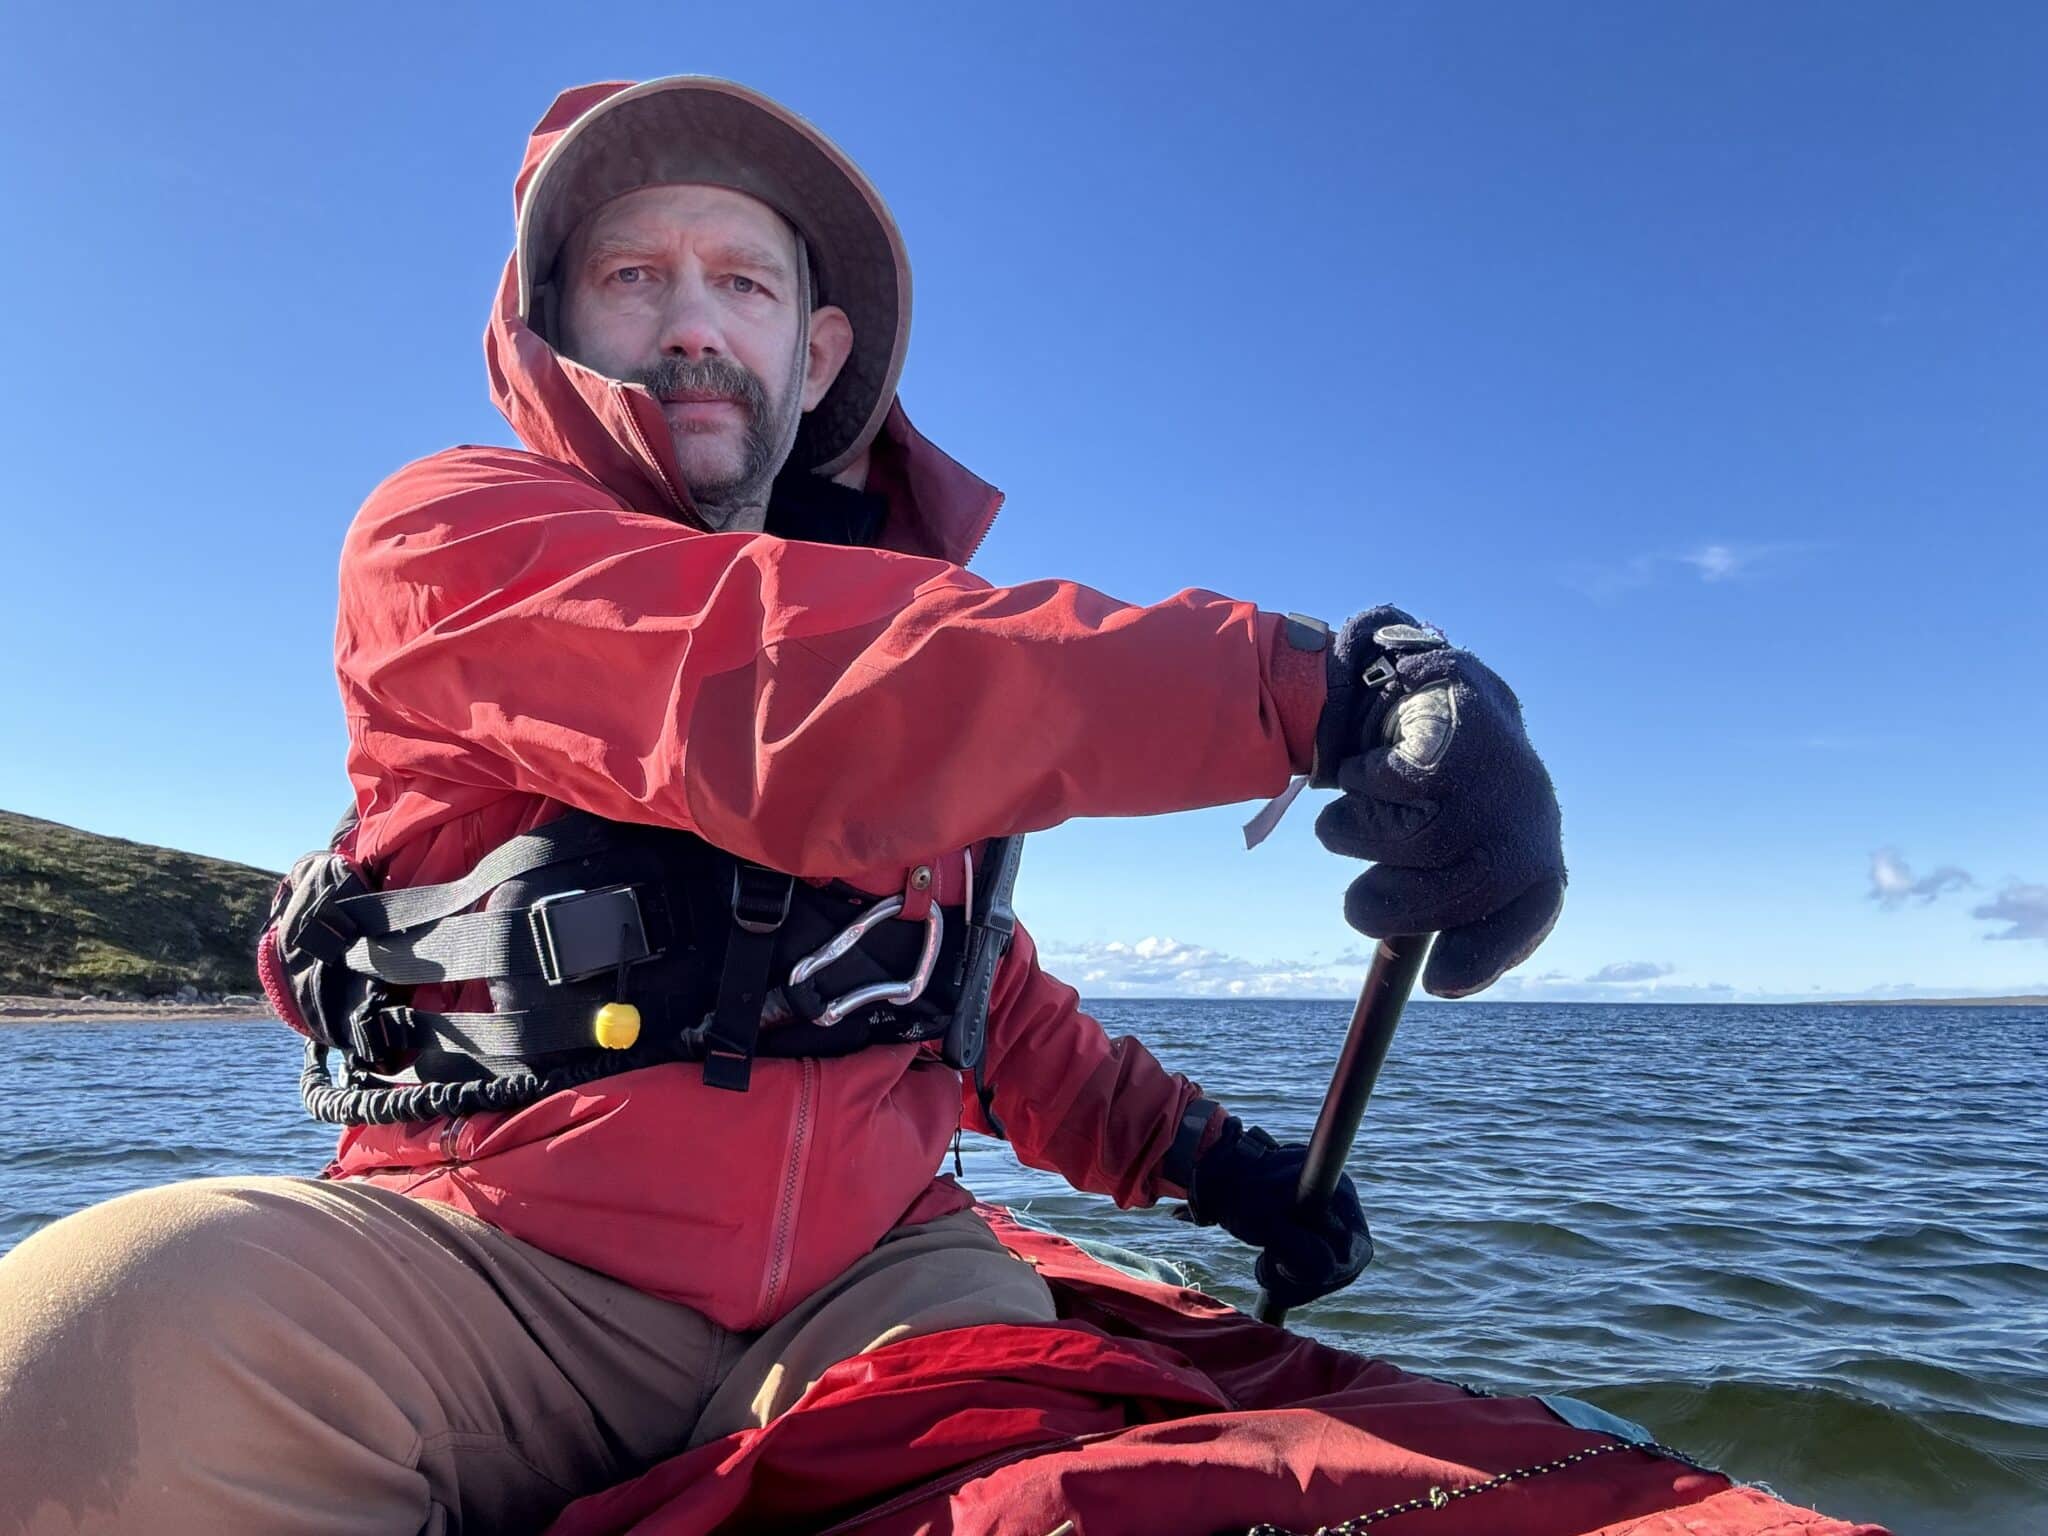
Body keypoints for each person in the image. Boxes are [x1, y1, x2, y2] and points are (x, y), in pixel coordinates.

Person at [0, 77, 1564, 1535]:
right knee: (99, 1342)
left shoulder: (930, 649)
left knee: (1045, 1472)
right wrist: (1317, 690)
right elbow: (771, 690)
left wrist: (1220, 1166)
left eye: (741, 285)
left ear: (812, 355)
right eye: (634, 279)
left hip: (873, 1284)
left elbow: (974, 1003)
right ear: (547, 333)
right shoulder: (444, 536)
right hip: (497, 1279)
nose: (691, 327)